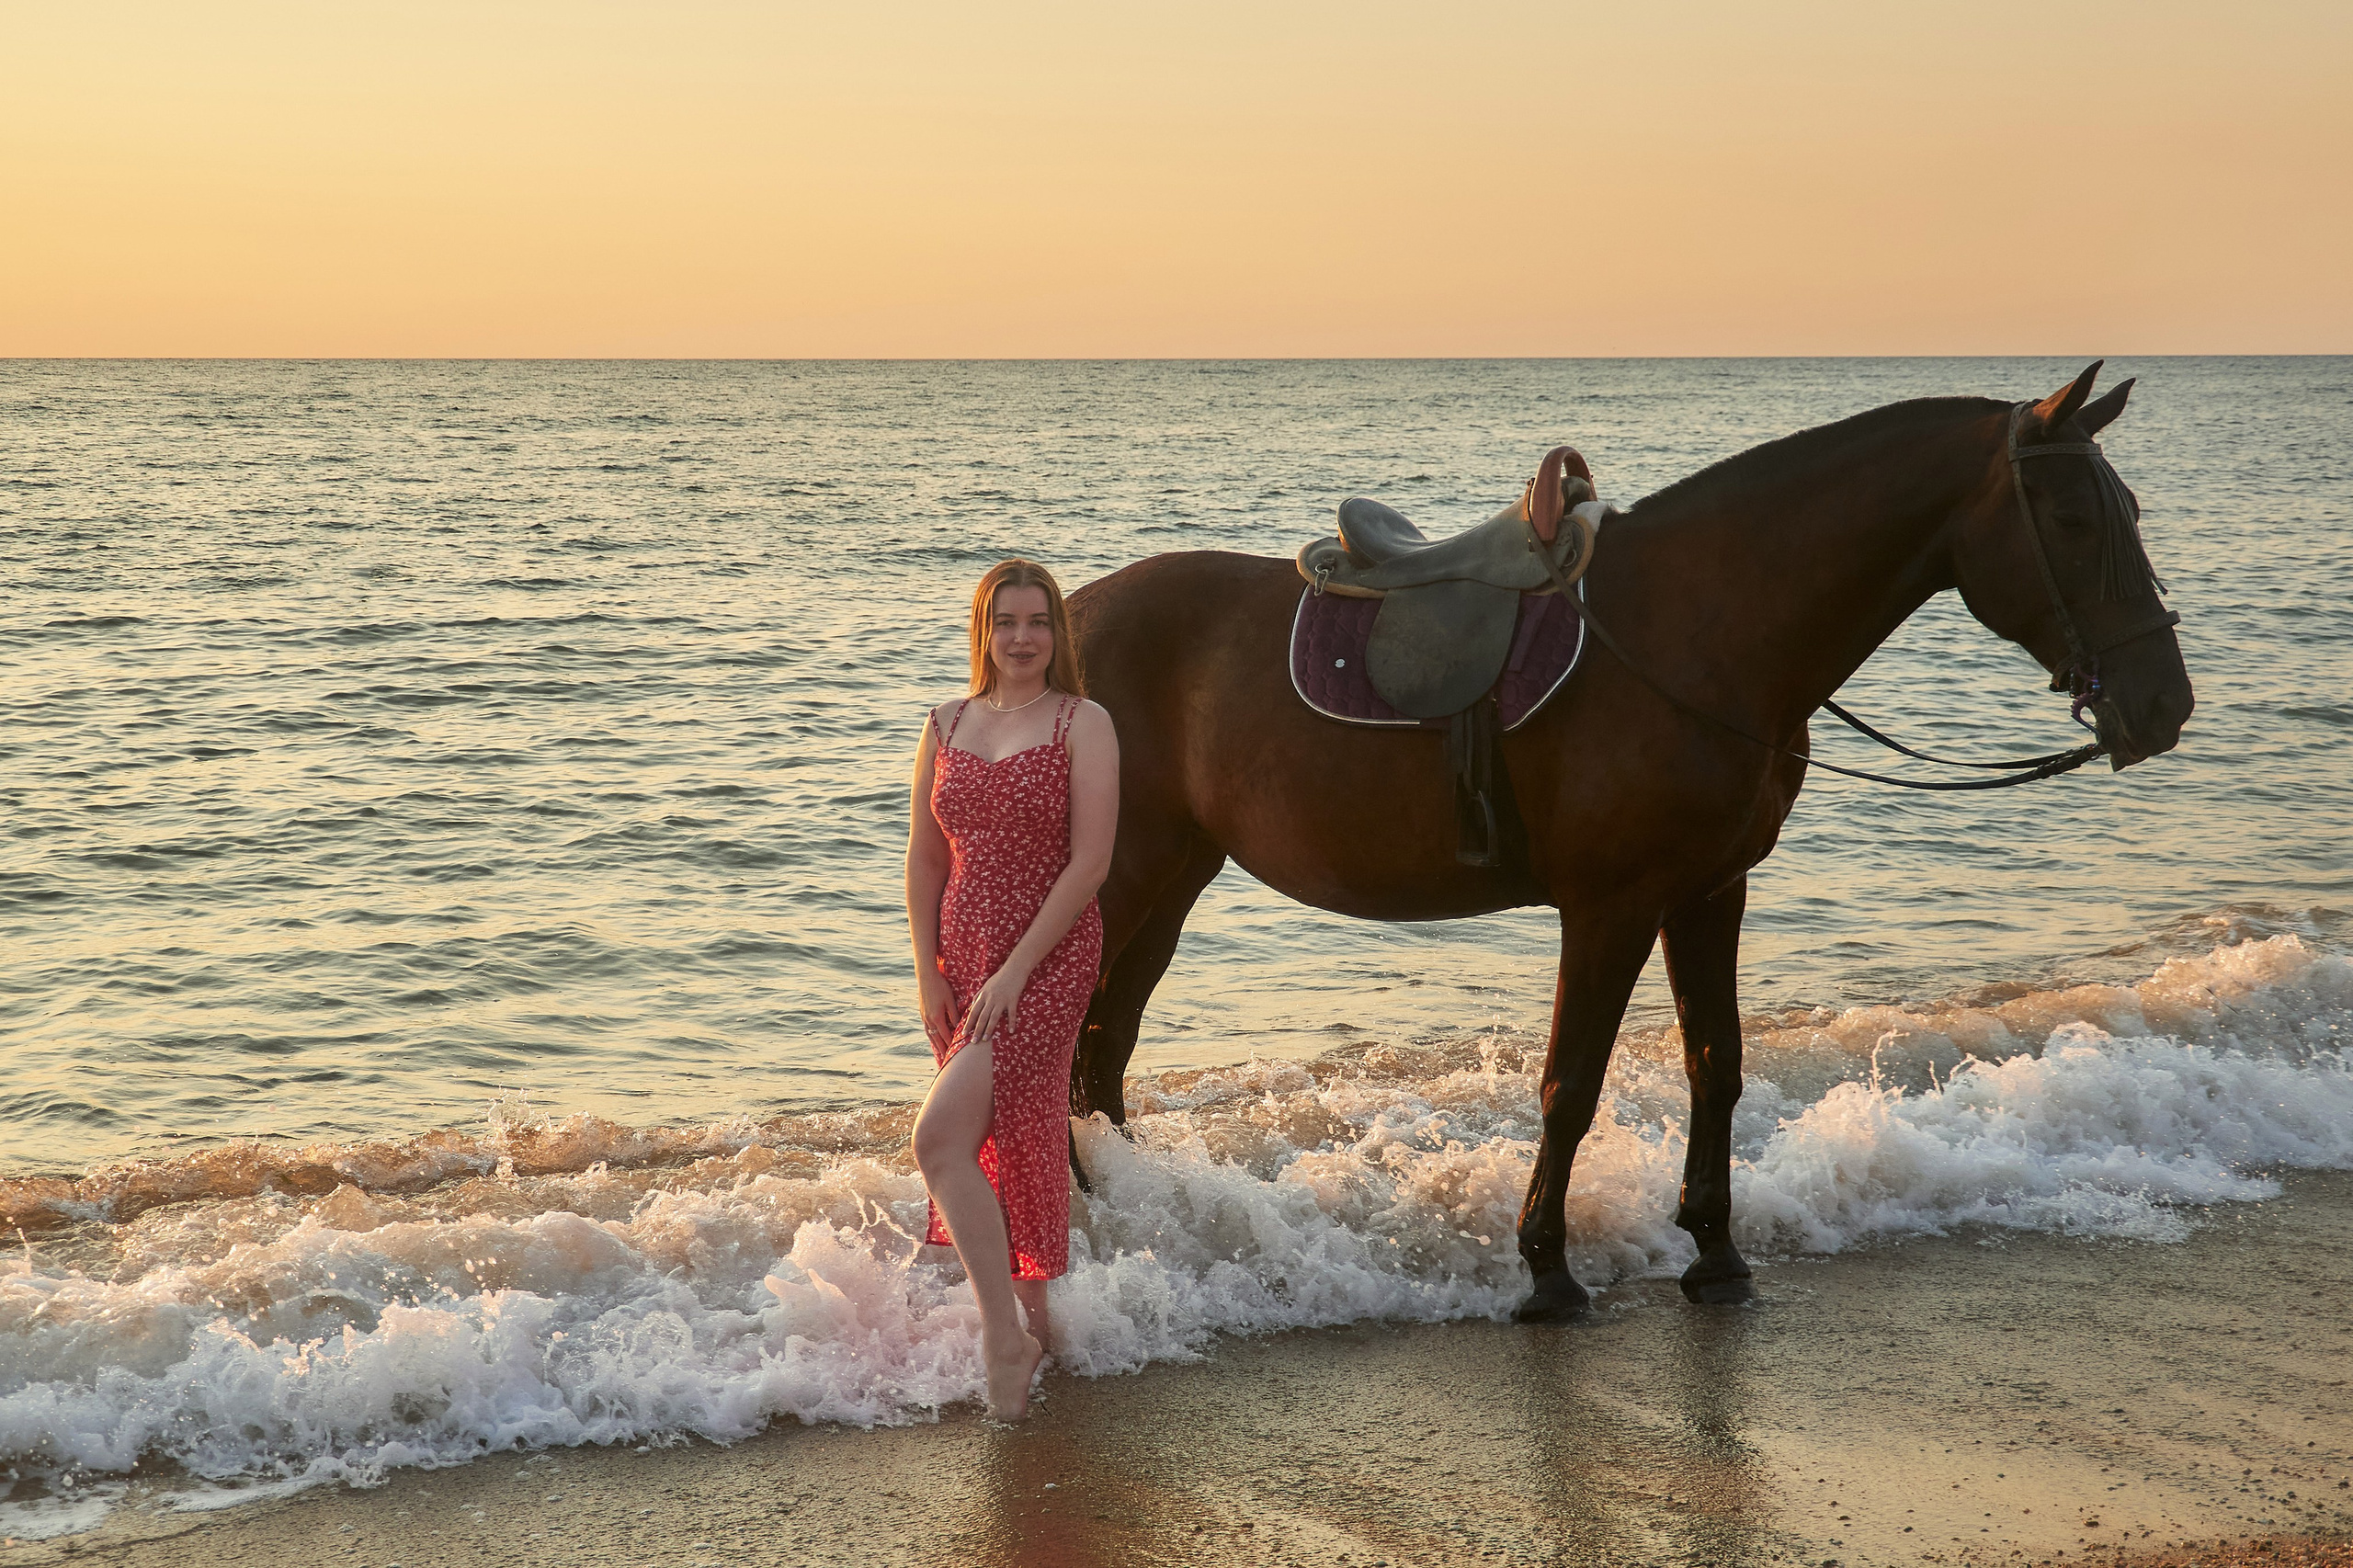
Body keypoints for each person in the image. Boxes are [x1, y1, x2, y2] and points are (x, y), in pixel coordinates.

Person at [904, 558, 1118, 1420]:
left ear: (1057, 632)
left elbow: (1090, 863)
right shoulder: (945, 722)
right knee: (1012, 1135)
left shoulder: (1082, 722)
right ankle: (1042, 1325)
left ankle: (1005, 1341)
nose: (1022, 638)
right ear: (983, 631)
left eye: (1038, 622)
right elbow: (925, 859)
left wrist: (1017, 970)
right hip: (963, 959)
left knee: (938, 1140)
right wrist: (927, 969)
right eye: (1006, 622)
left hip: (1047, 958)